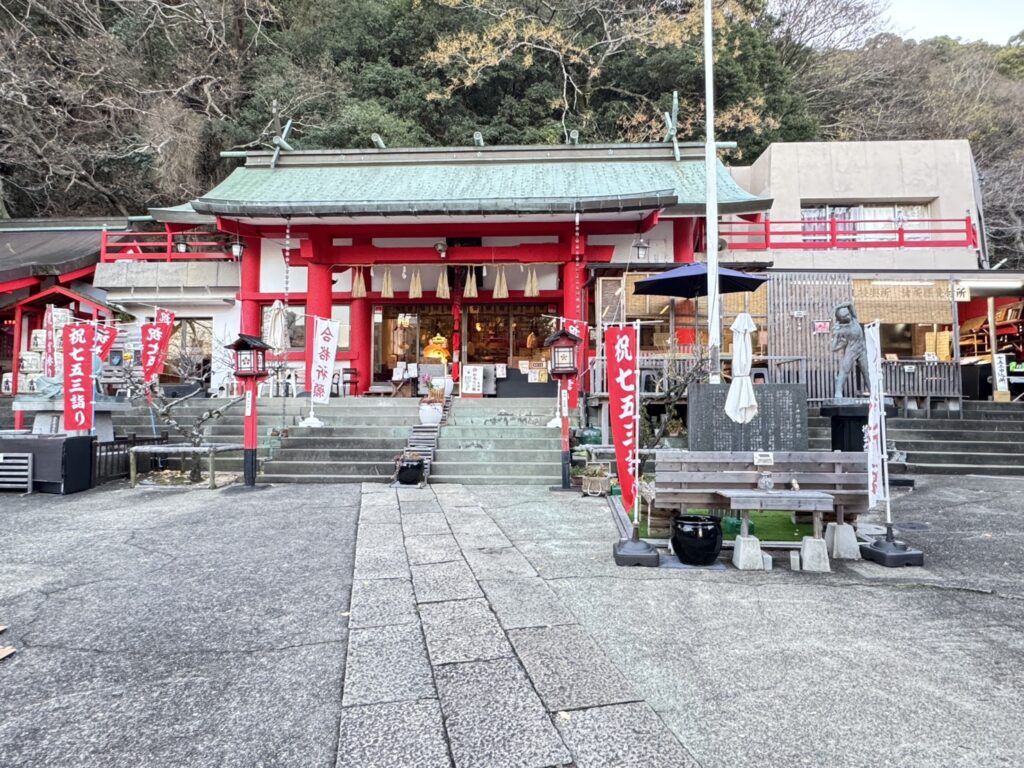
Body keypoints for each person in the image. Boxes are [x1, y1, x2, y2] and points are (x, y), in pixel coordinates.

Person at [831, 302, 869, 399]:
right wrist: (842, 344)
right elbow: (833, 348)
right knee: (844, 370)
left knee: (866, 371)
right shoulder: (839, 330)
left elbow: (850, 304)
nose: (848, 316)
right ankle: (838, 392)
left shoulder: (854, 319)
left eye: (848, 314)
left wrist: (837, 307)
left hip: (862, 349)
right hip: (851, 351)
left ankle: (872, 391)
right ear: (841, 318)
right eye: (845, 316)